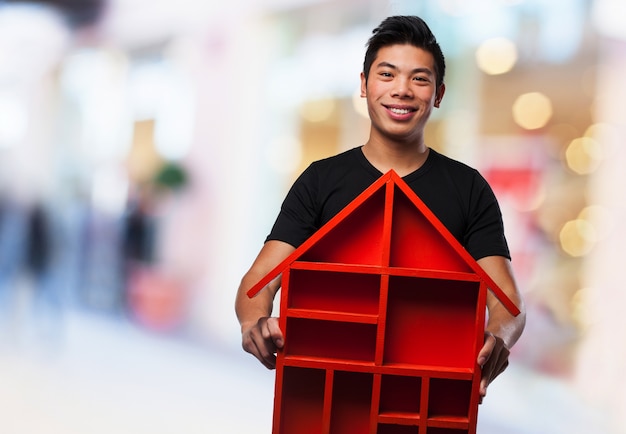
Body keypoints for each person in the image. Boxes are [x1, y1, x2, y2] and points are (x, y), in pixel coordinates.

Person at [235, 15, 525, 402]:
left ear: (438, 94)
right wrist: (254, 323)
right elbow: (258, 283)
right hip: (327, 392)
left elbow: (507, 303)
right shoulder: (321, 180)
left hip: (426, 395)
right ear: (363, 85)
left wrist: (498, 338)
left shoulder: (469, 188)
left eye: (419, 79)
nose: (402, 90)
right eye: (387, 74)